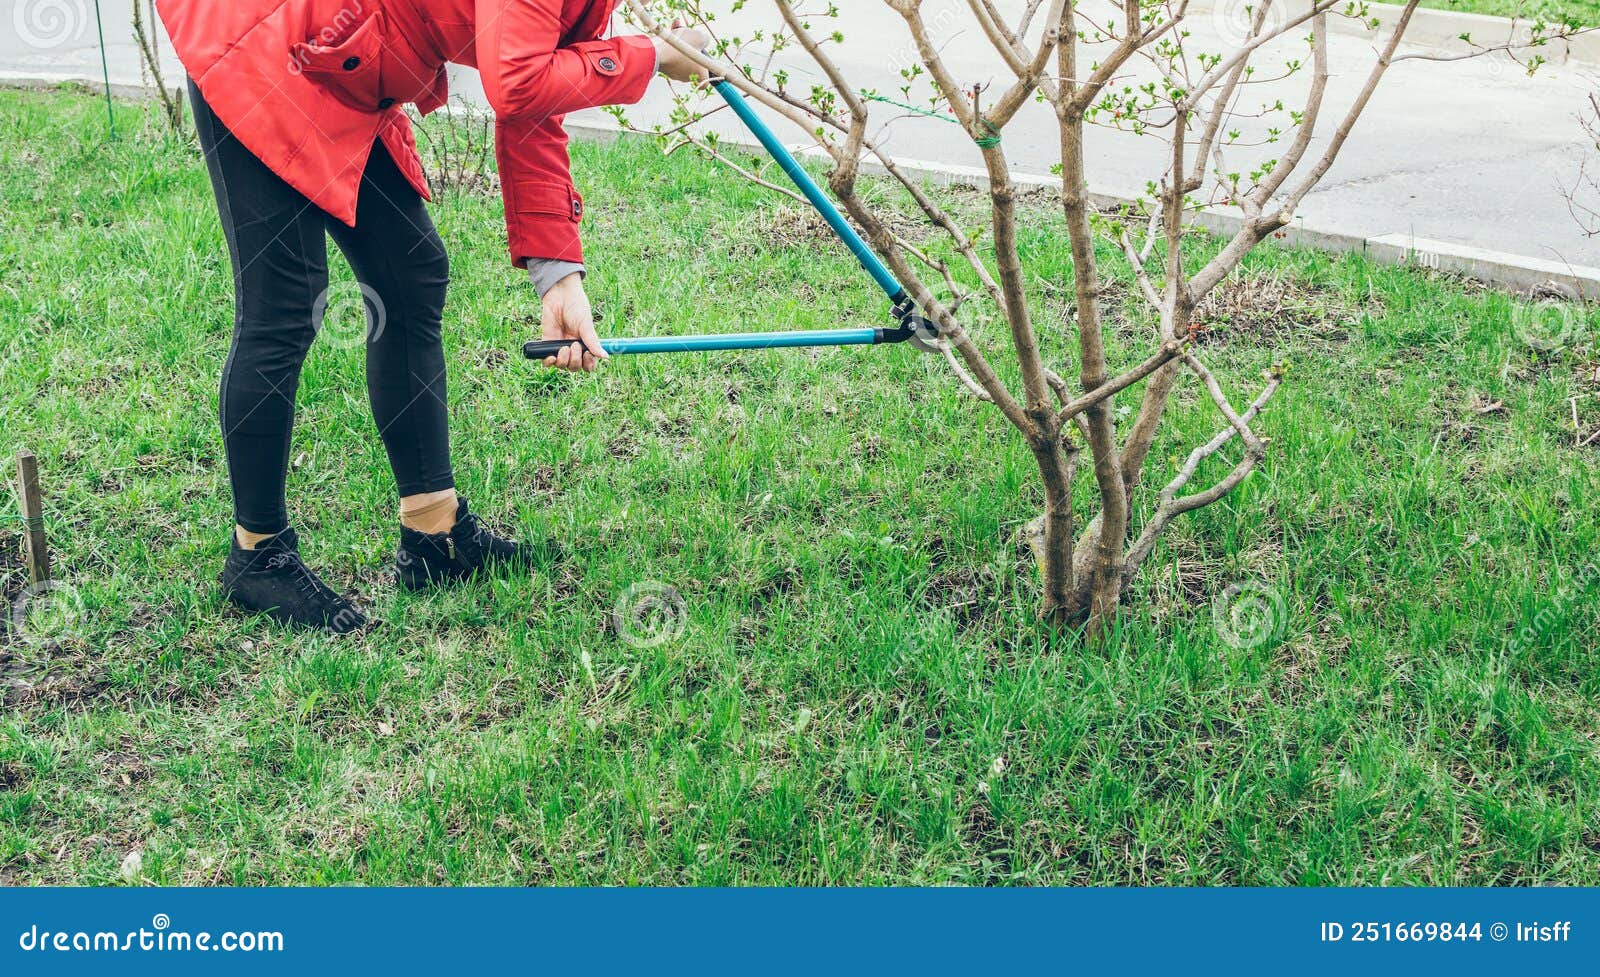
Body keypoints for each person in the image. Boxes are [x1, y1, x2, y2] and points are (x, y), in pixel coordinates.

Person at [155, 0, 707, 632]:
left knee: (408, 272)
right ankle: (258, 555)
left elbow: (534, 96)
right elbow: (520, 80)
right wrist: (652, 56)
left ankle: (433, 534)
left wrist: (558, 276)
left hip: (343, 47)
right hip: (260, 39)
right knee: (285, 302)